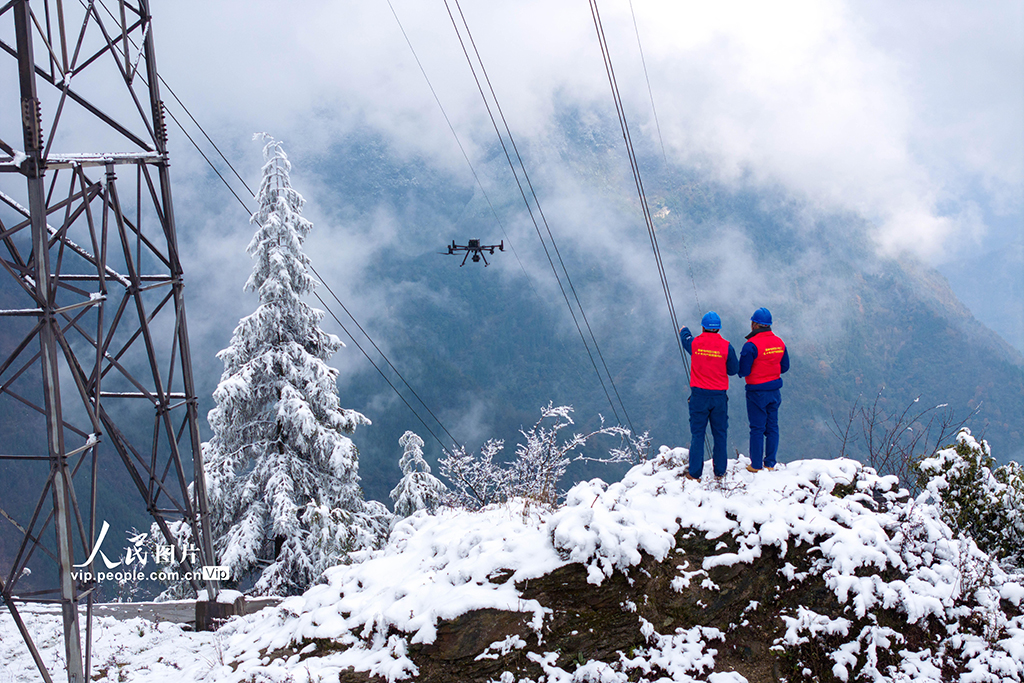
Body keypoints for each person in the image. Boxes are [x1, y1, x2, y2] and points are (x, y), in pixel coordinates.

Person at [679, 311, 738, 480]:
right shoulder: (727, 346)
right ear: (718, 329)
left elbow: (686, 340)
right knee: (720, 434)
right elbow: (733, 370)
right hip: (719, 397)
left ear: (703, 327)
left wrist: (684, 329)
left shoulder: (696, 343)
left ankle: (695, 472)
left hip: (699, 396)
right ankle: (719, 472)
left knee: (698, 434)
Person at [738, 307, 789, 472]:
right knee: (773, 426)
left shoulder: (750, 345)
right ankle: (770, 463)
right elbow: (785, 367)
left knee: (757, 428)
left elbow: (743, 371)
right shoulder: (779, 342)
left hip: (756, 392)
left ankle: (756, 465)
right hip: (775, 391)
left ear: (754, 324)